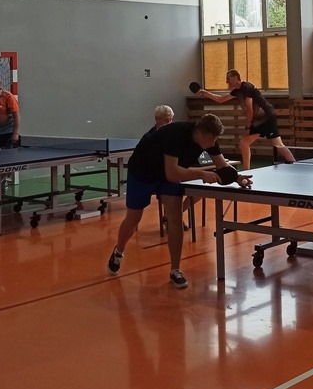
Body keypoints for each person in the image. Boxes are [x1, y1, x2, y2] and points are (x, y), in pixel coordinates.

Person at [106, 113, 249, 289]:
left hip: (166, 176)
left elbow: (222, 165)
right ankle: (119, 251)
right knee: (134, 218)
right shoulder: (175, 135)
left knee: (174, 217)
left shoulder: (209, 140)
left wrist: (238, 177)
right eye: (212, 138)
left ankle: (175, 270)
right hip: (142, 172)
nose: (214, 142)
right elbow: (172, 173)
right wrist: (202, 174)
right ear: (200, 133)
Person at [196, 70, 295, 169]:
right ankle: (294, 164)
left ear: (235, 77)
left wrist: (248, 127)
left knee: (247, 143)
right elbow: (221, 99)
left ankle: (247, 170)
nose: (226, 81)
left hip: (266, 118)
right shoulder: (237, 91)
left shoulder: (246, 88)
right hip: (262, 118)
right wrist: (206, 93)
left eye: (228, 79)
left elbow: (250, 110)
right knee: (272, 144)